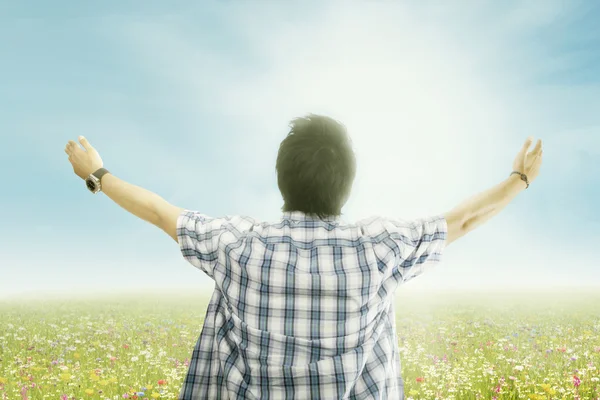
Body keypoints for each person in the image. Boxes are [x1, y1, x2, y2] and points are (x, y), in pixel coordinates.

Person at [64, 114, 543, 399]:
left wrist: (97, 173)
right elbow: (460, 222)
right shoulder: (378, 248)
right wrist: (519, 180)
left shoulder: (237, 245)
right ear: (347, 184)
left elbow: (157, 211)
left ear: (281, 180)